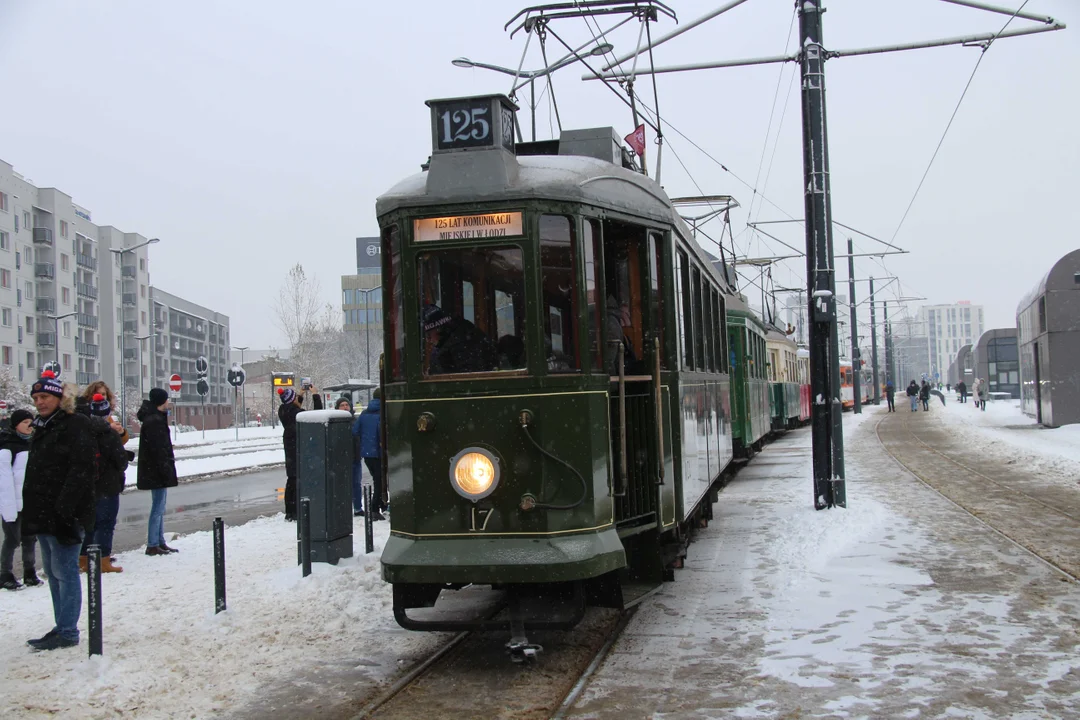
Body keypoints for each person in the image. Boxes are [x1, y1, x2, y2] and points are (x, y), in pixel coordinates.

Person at [22, 372, 97, 651]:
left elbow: (81, 470)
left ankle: (67, 631)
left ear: (59, 398)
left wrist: (65, 508)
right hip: (43, 511)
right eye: (36, 398)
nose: (39, 402)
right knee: (53, 572)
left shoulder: (75, 424)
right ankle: (61, 625)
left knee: (65, 571)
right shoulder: (42, 426)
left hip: (65, 512)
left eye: (44, 397)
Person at [79, 394, 132, 573]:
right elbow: (121, 462)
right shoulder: (110, 435)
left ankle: (83, 559)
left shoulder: (84, 432)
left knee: (90, 524)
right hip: (108, 486)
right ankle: (103, 560)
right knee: (106, 524)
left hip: (89, 485)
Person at [136, 388, 179, 555]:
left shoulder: (154, 418)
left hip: (155, 469)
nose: (168, 402)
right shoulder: (154, 421)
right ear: (161, 401)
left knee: (160, 506)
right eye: (166, 400)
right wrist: (165, 468)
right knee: (158, 507)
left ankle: (159, 541)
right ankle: (153, 543)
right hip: (156, 470)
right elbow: (158, 449)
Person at [0, 409, 39, 590]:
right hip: (12, 502)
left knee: (30, 537)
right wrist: (9, 507)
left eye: (31, 422)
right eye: (25, 422)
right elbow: (5, 480)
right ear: (15, 424)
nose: (29, 426)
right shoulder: (7, 445)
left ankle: (29, 572)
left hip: (30, 500)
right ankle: (5, 574)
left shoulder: (33, 443)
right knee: (12, 539)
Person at [278, 384, 323, 521]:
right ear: (293, 400)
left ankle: (290, 512)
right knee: (300, 481)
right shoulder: (297, 414)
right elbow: (317, 414)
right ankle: (298, 512)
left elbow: (293, 405)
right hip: (299, 449)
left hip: (290, 448)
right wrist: (315, 395)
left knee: (291, 480)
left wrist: (301, 394)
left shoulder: (283, 410)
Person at [422, 304, 497, 375]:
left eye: (429, 335)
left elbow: (469, 379)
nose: (428, 340)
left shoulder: (464, 344)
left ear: (440, 329)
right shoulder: (445, 343)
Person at [357, 388, 385, 520]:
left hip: (368, 454)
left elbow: (355, 431)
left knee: (377, 479)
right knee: (381, 481)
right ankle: (375, 508)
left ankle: (380, 504)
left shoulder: (364, 413)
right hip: (380, 453)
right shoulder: (384, 412)